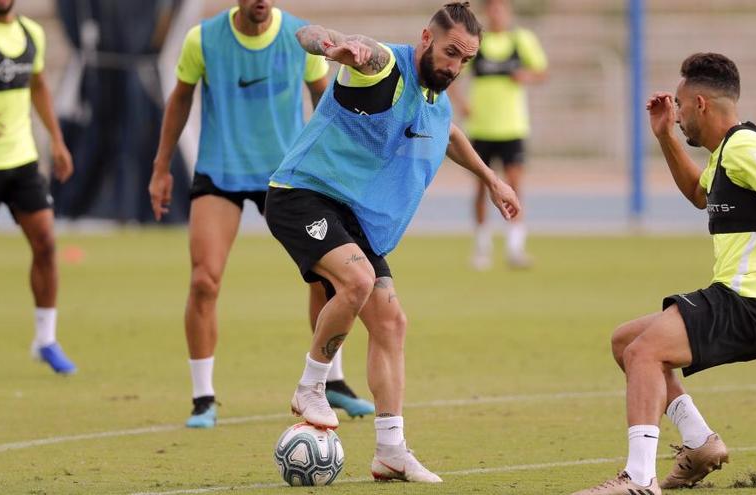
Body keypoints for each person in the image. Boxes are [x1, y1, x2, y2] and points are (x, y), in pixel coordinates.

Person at [264, 2, 520, 482]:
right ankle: (311, 385)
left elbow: (448, 135)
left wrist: (490, 179)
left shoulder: (432, 97)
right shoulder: (382, 64)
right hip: (302, 194)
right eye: (449, 53)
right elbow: (311, 33)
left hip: (352, 212)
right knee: (357, 282)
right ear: (426, 38)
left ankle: (390, 450)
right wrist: (335, 47)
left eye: (465, 61)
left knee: (391, 323)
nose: (454, 67)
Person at [571, 53, 756, 495]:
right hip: (738, 298)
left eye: (680, 107)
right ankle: (699, 443)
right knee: (626, 342)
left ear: (701, 103)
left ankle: (639, 480)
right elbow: (697, 194)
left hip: (751, 302)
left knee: (644, 353)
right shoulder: (728, 151)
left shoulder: (744, 147)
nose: (678, 115)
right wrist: (664, 135)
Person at [148, 0, 373, 429]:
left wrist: (341, 165)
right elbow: (179, 100)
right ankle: (203, 398)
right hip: (221, 172)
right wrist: (161, 167)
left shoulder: (300, 37)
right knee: (203, 280)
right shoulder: (203, 39)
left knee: (329, 276)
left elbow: (324, 101)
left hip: (286, 179)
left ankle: (334, 382)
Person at [0, 0, 76, 374]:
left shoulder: (31, 33)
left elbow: (38, 84)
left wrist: (56, 141)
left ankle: (45, 340)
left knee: (45, 242)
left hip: (21, 160)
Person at [452, 0, 547, 270]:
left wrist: (526, 76)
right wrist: (461, 104)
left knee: (514, 186)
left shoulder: (521, 40)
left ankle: (515, 247)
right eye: (492, 9)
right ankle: (482, 247)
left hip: (512, 126)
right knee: (481, 187)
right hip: (482, 128)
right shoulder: (476, 43)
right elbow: (454, 73)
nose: (497, 14)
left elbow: (541, 71)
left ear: (508, 12)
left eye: (501, 9)